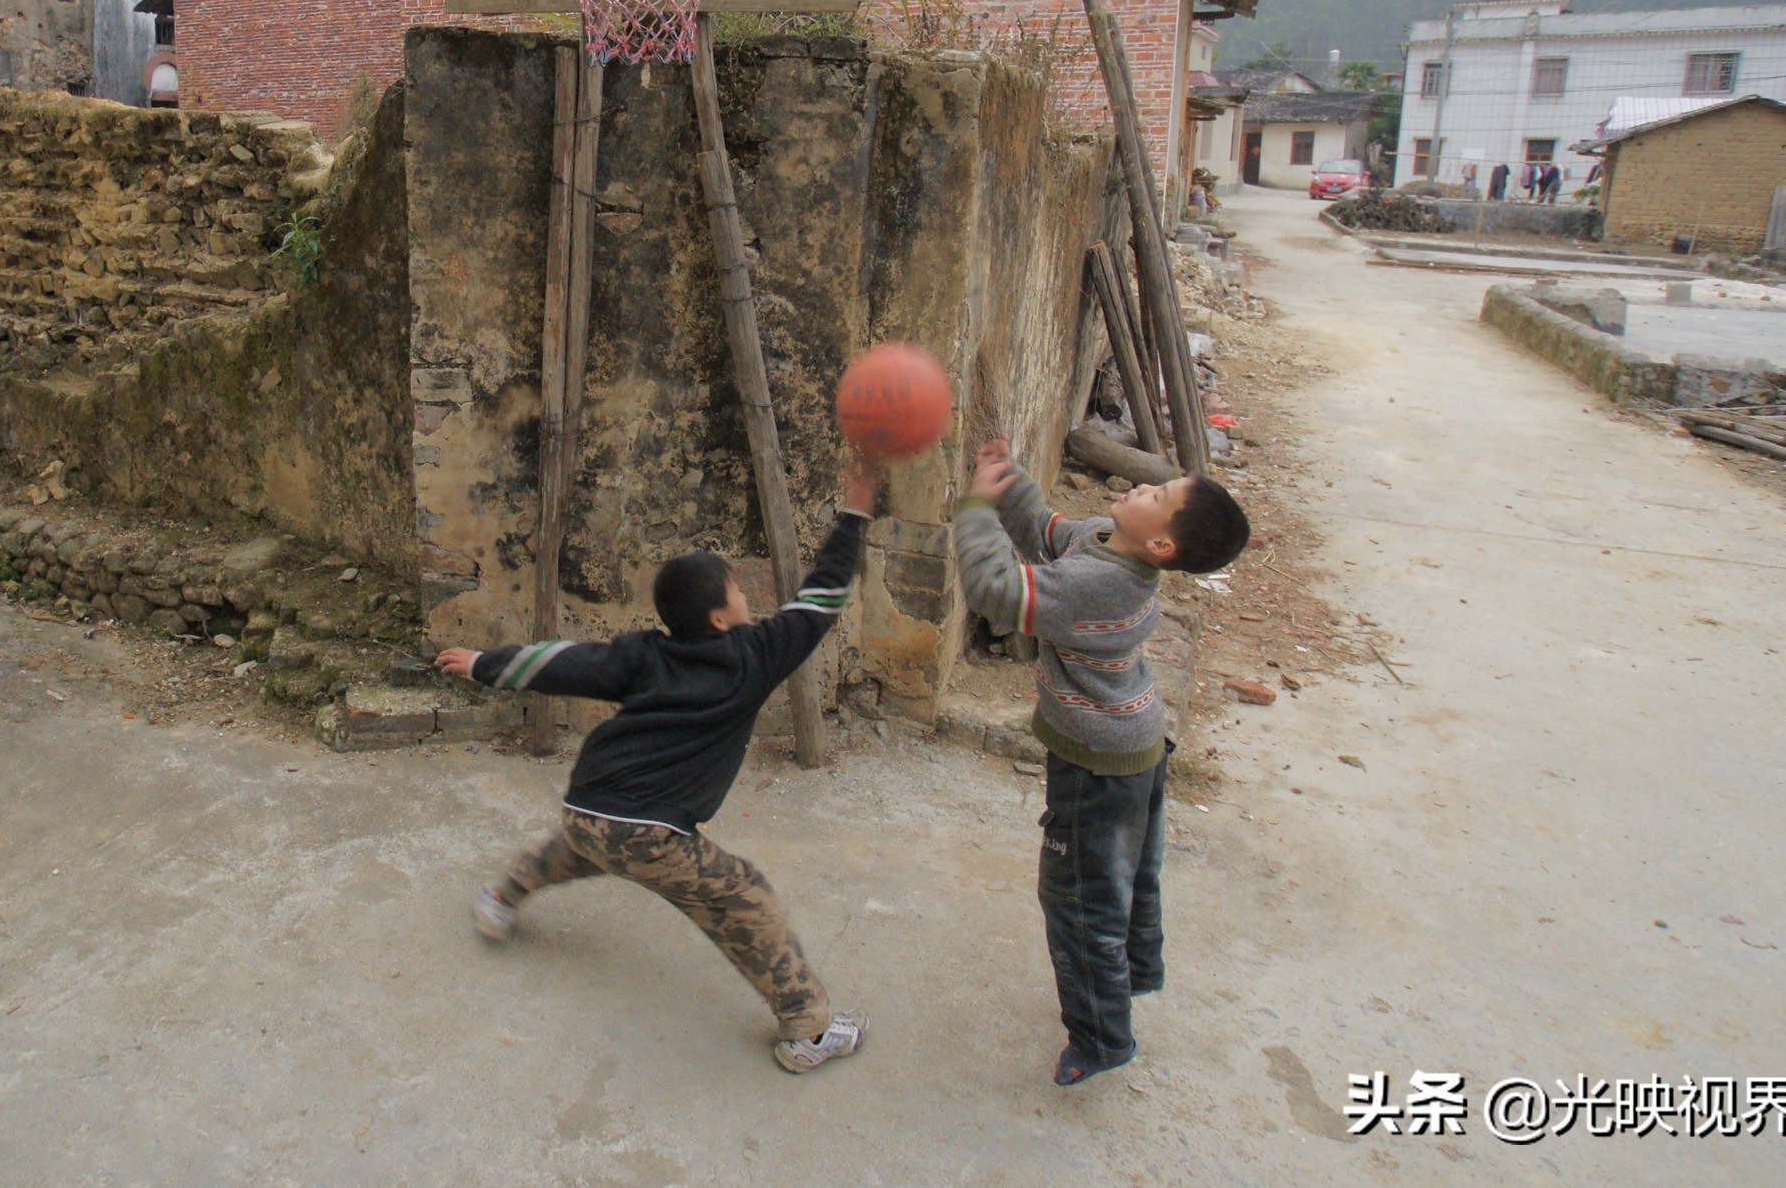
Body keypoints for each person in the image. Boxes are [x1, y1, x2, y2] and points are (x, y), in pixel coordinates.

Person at [434, 457, 880, 1074]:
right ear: (720, 618)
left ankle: (500, 899)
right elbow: (821, 596)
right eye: (738, 589)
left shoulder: (643, 653)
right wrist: (854, 514)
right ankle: (809, 1029)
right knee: (747, 901)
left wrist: (486, 663)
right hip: (651, 833)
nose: (746, 595)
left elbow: (565, 662)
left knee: (578, 849)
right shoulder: (756, 656)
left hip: (588, 805)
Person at [952, 436, 1250, 1087]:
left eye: (1157, 494)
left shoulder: (1102, 585)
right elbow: (1047, 531)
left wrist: (974, 508)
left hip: (1100, 768)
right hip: (1135, 741)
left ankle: (1102, 1037)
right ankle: (1134, 970)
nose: (1141, 485)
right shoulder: (1106, 541)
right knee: (1130, 874)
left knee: (1079, 900)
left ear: (1161, 545)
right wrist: (1008, 480)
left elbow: (994, 589)